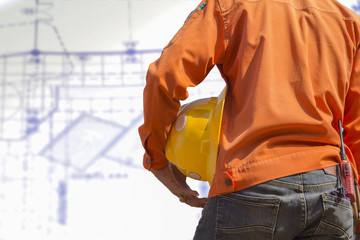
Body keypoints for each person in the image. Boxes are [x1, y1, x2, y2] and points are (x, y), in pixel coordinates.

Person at [138, 0, 360, 238]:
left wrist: (158, 160)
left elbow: (165, 76)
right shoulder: (348, 22)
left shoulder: (229, 6)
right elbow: (355, 125)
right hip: (330, 190)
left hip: (252, 186)